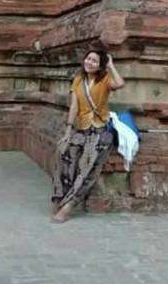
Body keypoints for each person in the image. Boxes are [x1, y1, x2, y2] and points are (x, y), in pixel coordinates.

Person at [50, 44, 125, 222]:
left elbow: (120, 84)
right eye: (88, 59)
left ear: (100, 65)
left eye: (94, 61)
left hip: (100, 129)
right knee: (63, 153)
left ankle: (69, 206)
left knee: (88, 164)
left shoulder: (105, 79)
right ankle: (60, 196)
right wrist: (68, 129)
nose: (90, 63)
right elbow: (74, 106)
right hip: (82, 127)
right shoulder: (78, 80)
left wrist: (111, 66)